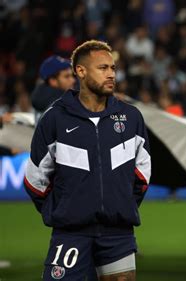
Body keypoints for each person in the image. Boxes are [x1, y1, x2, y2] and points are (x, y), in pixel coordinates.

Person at [24, 40, 151, 281]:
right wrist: (65, 211)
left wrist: (120, 204)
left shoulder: (131, 117)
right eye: (103, 68)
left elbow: (142, 174)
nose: (111, 74)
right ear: (80, 72)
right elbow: (35, 181)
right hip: (70, 234)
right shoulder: (55, 119)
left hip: (118, 235)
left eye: (113, 68)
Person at [31, 55, 76, 123]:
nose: (73, 80)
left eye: (72, 76)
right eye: (67, 77)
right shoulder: (61, 104)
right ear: (53, 81)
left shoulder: (43, 97)